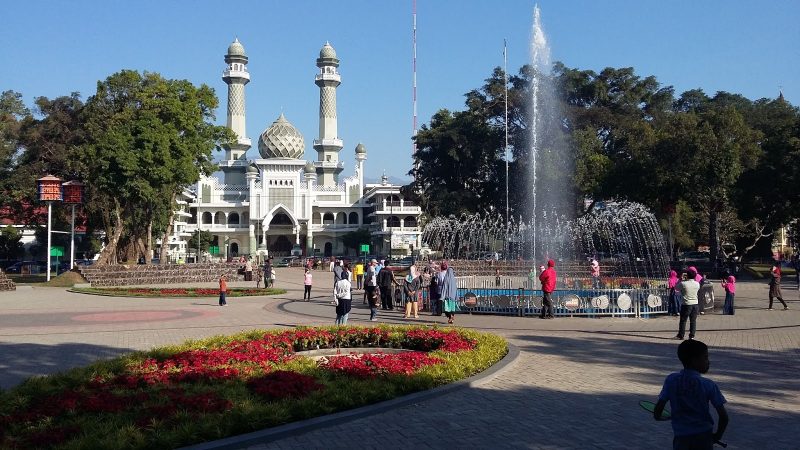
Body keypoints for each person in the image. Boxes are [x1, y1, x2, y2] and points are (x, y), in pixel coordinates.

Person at [653, 340, 728, 450]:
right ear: (694, 361)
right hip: (703, 437)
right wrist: (717, 436)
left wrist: (661, 416)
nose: (708, 361)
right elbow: (724, 417)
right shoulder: (708, 385)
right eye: (705, 357)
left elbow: (658, 410)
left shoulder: (671, 380)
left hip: (681, 438)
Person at [676, 268, 700, 340]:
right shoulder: (697, 284)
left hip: (686, 304)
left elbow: (676, 288)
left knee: (683, 320)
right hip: (695, 304)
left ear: (687, 276)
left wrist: (680, 279)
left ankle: (681, 335)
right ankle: (692, 336)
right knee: (693, 321)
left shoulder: (683, 283)